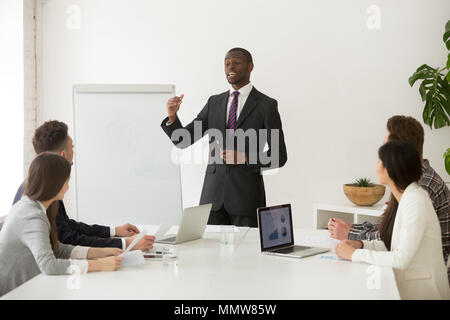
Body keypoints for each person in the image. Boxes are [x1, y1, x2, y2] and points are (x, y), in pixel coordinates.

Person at [161, 48, 287, 227]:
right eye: (227, 63)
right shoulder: (214, 102)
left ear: (250, 66)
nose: (231, 67)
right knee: (208, 253)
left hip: (246, 199)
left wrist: (244, 158)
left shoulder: (266, 105)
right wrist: (172, 117)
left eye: (237, 62)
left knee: (245, 253)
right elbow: (183, 140)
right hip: (212, 200)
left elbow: (279, 156)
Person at [328, 115, 449, 280]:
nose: (377, 165)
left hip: (420, 282)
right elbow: (391, 236)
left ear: (396, 156)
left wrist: (354, 247)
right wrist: (360, 243)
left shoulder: (420, 192)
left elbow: (400, 256)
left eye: (384, 150)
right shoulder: (408, 189)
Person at [13, 120, 155, 251]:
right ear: (63, 155)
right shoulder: (42, 191)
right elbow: (67, 239)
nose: (74, 151)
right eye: (72, 147)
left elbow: (68, 226)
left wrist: (114, 231)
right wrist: (125, 244)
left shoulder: (41, 182)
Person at [0, 153, 124, 297]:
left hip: (29, 286)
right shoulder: (31, 217)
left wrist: (104, 252)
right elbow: (49, 265)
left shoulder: (33, 206)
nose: (67, 187)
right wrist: (100, 265)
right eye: (67, 181)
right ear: (55, 183)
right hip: (14, 293)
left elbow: (57, 249)